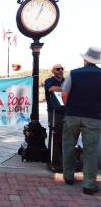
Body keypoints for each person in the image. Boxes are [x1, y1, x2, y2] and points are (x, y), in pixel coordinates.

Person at [61, 46, 101, 195]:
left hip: (72, 115)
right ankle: (89, 184)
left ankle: (68, 176)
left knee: (68, 146)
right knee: (90, 150)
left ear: (85, 59)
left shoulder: (74, 73)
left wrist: (70, 107)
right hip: (93, 117)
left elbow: (64, 94)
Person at [44, 64, 65, 172]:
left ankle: (62, 160)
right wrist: (66, 88)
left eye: (62, 68)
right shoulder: (49, 80)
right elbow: (51, 88)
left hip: (66, 112)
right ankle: (53, 160)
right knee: (55, 135)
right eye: (58, 69)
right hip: (54, 112)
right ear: (53, 71)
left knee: (65, 136)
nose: (60, 70)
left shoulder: (66, 80)